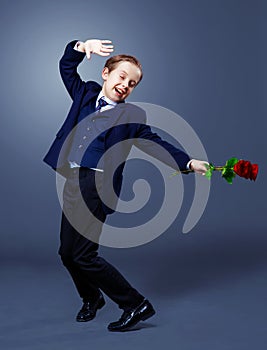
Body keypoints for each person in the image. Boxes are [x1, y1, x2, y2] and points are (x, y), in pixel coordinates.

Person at [43, 38, 208, 332]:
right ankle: (92, 298)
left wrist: (186, 162)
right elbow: (67, 68)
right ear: (106, 73)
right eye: (122, 77)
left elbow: (153, 142)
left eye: (132, 84)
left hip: (97, 186)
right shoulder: (85, 93)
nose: (125, 85)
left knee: (84, 255)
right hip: (73, 180)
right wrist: (80, 47)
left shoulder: (132, 115)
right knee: (67, 253)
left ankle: (135, 303)